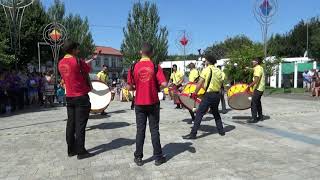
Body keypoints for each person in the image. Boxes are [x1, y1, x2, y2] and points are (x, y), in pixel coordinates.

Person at [127, 43, 167, 166]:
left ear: (140, 52)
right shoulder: (155, 66)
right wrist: (157, 88)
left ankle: (138, 157)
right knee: (154, 130)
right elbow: (164, 84)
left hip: (139, 103)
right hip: (153, 103)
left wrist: (136, 86)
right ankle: (158, 158)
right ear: (152, 53)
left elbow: (129, 87)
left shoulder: (133, 67)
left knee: (140, 130)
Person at [58, 40, 97, 160]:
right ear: (73, 50)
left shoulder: (60, 63)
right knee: (80, 125)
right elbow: (88, 70)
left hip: (69, 97)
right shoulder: (78, 61)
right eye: (77, 49)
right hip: (81, 96)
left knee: (71, 124)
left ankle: (71, 150)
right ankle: (81, 152)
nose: (79, 51)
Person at [183, 54, 225, 139]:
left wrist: (195, 93)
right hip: (217, 95)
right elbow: (221, 83)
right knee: (216, 112)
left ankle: (193, 133)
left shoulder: (206, 70)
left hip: (209, 95)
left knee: (199, 113)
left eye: (205, 61)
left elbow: (200, 83)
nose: (204, 62)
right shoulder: (219, 71)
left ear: (208, 61)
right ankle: (221, 131)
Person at [246, 57, 265, 123]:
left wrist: (249, 86)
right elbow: (253, 69)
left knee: (253, 103)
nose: (252, 62)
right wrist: (248, 69)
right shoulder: (260, 67)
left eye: (253, 61)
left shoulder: (257, 69)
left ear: (256, 62)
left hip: (257, 88)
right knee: (258, 102)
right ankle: (260, 116)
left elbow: (256, 80)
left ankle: (254, 118)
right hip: (261, 88)